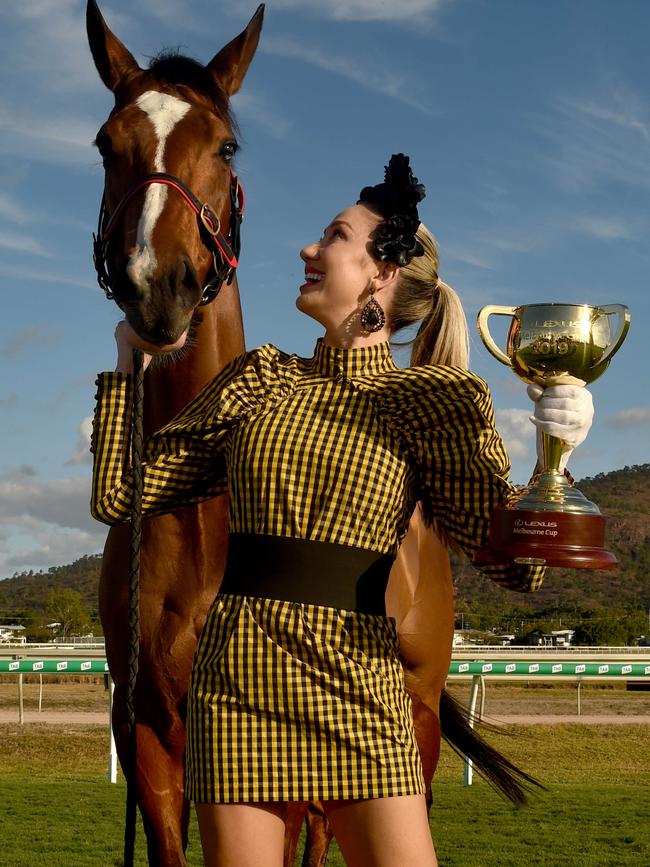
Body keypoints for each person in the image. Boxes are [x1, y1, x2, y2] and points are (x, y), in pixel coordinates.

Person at [90, 154, 593, 867]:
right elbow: (121, 498)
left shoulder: (437, 399)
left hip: (364, 693)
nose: (308, 248)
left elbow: (518, 570)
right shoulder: (260, 377)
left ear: (381, 274)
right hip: (239, 694)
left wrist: (556, 454)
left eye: (333, 236)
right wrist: (124, 368)